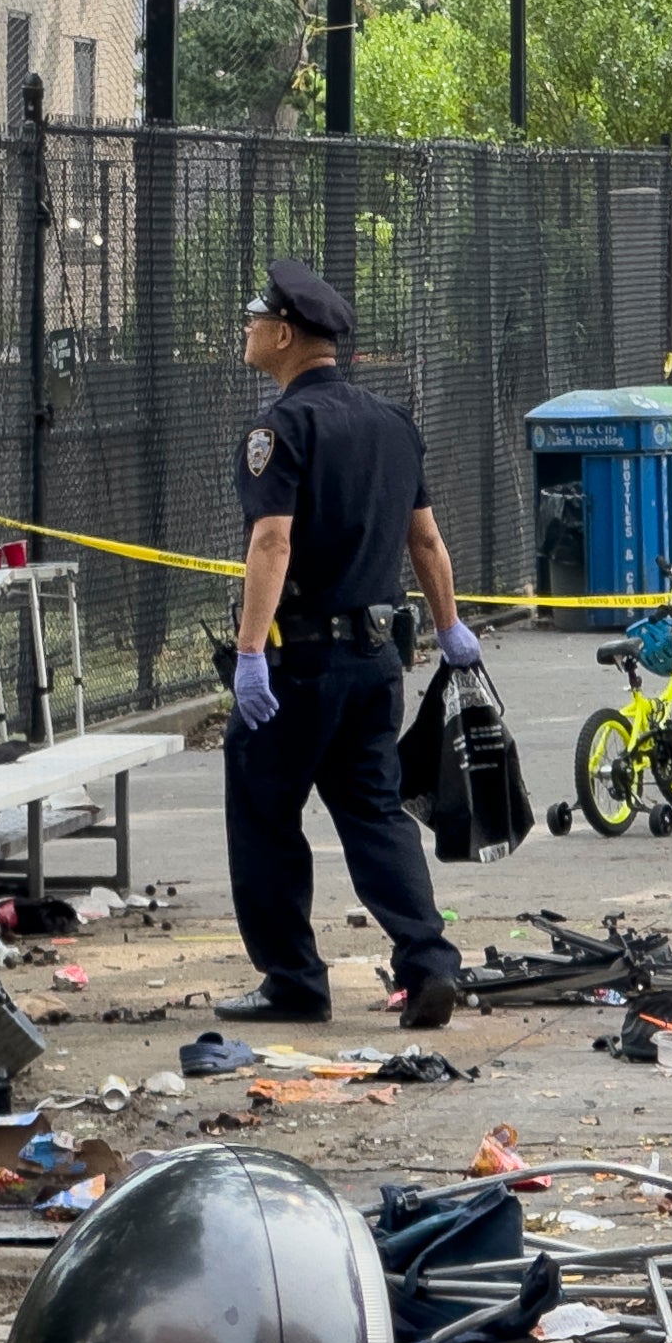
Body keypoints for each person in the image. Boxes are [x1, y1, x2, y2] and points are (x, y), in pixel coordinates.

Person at [218, 258, 481, 1030]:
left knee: (264, 812)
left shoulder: (280, 428)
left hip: (298, 662)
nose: (248, 327)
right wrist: (449, 627)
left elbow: (272, 544)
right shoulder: (392, 423)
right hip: (375, 660)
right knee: (374, 812)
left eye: (255, 316)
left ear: (285, 334)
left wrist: (249, 655)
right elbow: (426, 541)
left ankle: (293, 981)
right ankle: (428, 962)